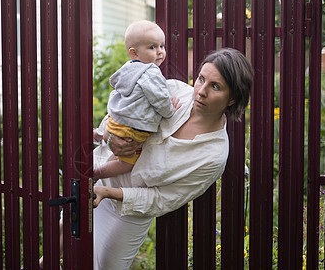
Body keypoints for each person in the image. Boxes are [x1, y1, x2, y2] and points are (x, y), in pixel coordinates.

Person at [92, 47, 254, 269]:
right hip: (96, 174)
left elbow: (162, 199)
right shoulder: (173, 90)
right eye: (201, 79)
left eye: (215, 86)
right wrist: (108, 135)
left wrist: (108, 193)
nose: (201, 91)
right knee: (61, 248)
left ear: (233, 98)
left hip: (125, 214)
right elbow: (123, 110)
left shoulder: (213, 155)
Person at [93, 20, 176, 180]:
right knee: (127, 164)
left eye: (162, 46)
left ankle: (100, 134)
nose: (160, 52)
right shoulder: (151, 72)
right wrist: (170, 111)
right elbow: (160, 99)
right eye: (152, 47)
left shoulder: (129, 69)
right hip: (130, 130)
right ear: (134, 53)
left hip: (115, 121)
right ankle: (95, 174)